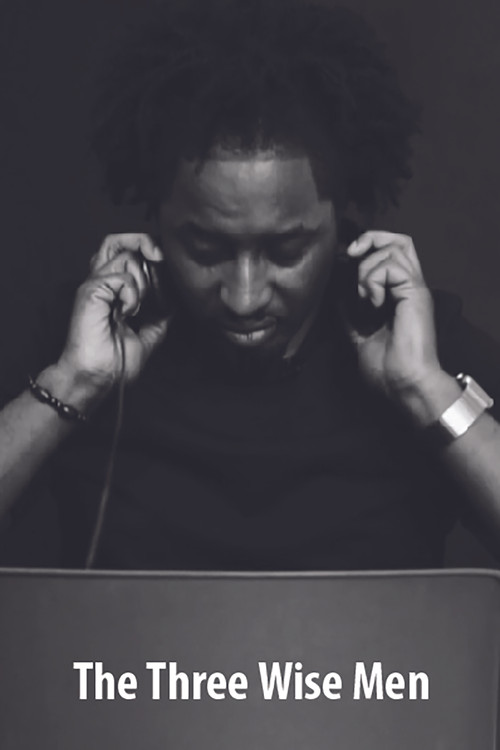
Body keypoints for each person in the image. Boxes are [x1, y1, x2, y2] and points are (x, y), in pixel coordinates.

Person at [1, 0, 500, 570]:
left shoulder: (417, 343)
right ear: (154, 221)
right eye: (205, 250)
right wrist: (73, 383)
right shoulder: (82, 341)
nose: (244, 297)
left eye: (286, 252)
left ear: (344, 226)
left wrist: (427, 392)